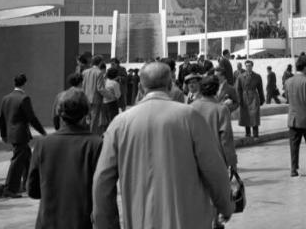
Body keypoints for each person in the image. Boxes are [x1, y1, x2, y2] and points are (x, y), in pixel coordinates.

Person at [92, 62, 233, 229]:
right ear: (170, 84)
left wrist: (106, 224)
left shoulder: (119, 124)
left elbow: (102, 180)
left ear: (140, 86)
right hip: (188, 220)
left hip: (140, 220)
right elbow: (214, 169)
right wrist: (225, 206)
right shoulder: (189, 116)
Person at [28, 89, 103, 229]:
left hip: (47, 222)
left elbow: (33, 190)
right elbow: (101, 191)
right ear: (86, 114)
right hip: (80, 221)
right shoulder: (97, 144)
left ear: (59, 113)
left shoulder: (42, 144)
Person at [0, 73, 47, 198]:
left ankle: (28, 185)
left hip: (11, 134)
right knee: (17, 162)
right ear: (25, 84)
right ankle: (9, 189)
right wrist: (42, 131)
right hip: (20, 134)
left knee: (28, 160)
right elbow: (31, 118)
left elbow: (1, 118)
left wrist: (3, 134)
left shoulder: (6, 98)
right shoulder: (24, 98)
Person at [192, 75, 237, 170]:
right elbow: (226, 139)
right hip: (216, 158)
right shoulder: (221, 109)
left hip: (194, 157)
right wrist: (232, 161)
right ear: (216, 89)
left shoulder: (191, 107)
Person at [236, 60, 264, 138]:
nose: (248, 67)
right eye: (247, 66)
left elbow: (260, 89)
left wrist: (262, 99)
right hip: (244, 97)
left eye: (250, 66)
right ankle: (247, 133)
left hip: (254, 97)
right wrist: (239, 99)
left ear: (252, 66)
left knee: (254, 115)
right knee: (246, 115)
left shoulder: (257, 76)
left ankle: (255, 134)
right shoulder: (240, 76)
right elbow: (238, 89)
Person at [82, 55, 106, 134]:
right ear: (100, 62)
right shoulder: (99, 73)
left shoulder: (84, 72)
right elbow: (100, 88)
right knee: (94, 120)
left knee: (86, 119)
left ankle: (85, 134)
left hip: (85, 98)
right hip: (96, 99)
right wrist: (110, 95)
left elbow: (82, 85)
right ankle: (91, 135)